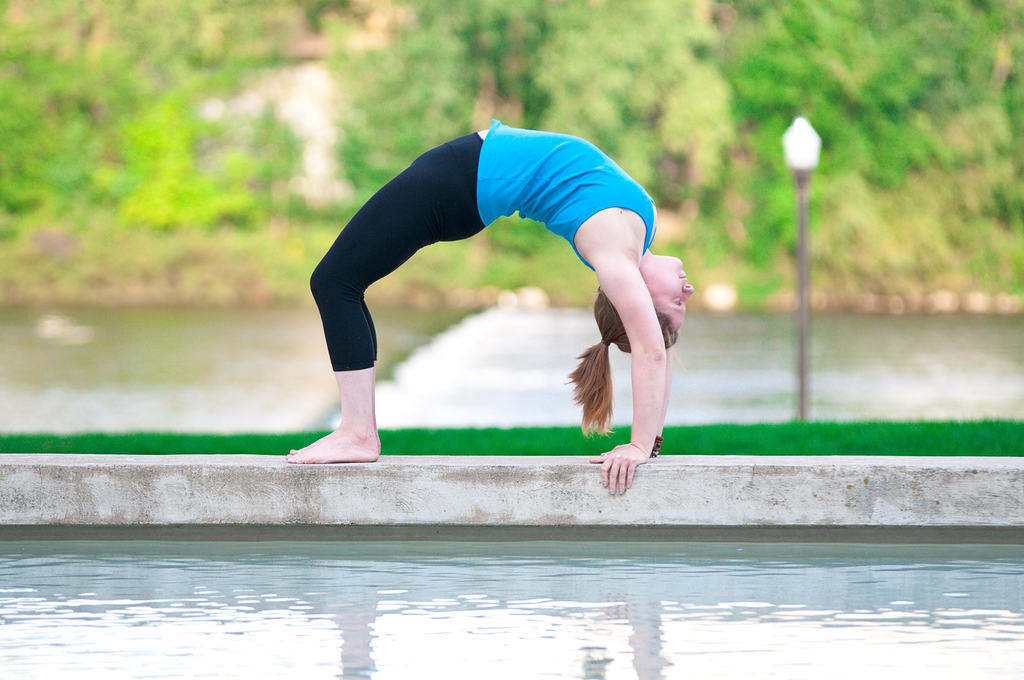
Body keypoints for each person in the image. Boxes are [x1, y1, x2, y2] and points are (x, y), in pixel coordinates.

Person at [287, 119, 695, 495]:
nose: (688, 289)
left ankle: (357, 433)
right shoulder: (641, 225)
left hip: (456, 183)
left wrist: (637, 446)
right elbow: (658, 347)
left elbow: (652, 349)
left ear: (639, 296)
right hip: (463, 177)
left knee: (334, 282)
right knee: (340, 281)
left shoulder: (614, 255)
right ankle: (357, 431)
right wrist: (652, 440)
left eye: (676, 301)